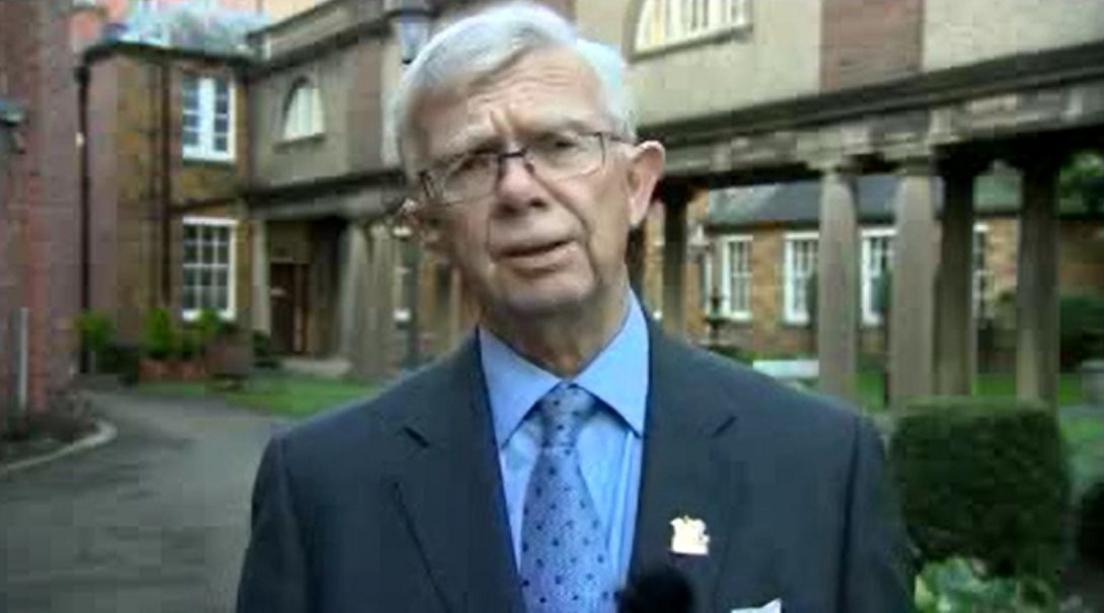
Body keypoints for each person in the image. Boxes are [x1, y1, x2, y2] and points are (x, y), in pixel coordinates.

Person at [236, 3, 913, 612]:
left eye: (559, 145)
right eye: (471, 164)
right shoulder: (321, 486)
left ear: (637, 184)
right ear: (430, 229)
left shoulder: (823, 463)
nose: (519, 189)